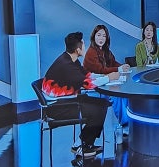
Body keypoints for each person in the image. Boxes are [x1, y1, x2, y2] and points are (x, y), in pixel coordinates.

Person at [42, 32, 113, 160]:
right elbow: (87, 84)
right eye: (83, 45)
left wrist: (105, 76)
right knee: (97, 110)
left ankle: (85, 142)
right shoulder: (67, 65)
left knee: (102, 104)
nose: (85, 48)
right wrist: (109, 78)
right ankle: (82, 145)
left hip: (67, 100)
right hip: (58, 107)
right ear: (78, 49)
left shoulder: (70, 59)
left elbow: (86, 75)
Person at [83, 24, 129, 127]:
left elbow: (113, 62)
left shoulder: (105, 50)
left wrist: (122, 66)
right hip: (93, 89)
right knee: (116, 95)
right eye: (99, 35)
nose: (101, 38)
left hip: (104, 84)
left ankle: (129, 121)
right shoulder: (91, 52)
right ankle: (125, 125)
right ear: (94, 36)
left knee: (125, 94)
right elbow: (101, 70)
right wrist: (118, 69)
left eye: (104, 36)